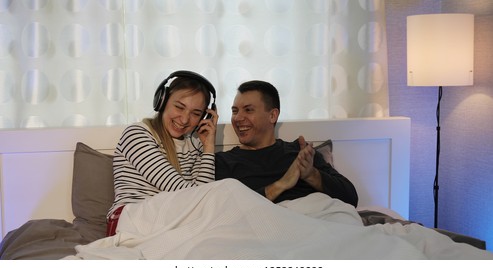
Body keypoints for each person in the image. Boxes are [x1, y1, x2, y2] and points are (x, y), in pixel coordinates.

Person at [106, 70, 219, 236]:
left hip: (172, 222)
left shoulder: (195, 145)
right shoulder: (137, 134)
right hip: (130, 220)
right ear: (162, 101)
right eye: (179, 107)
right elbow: (186, 194)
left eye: (195, 113)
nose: (185, 119)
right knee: (230, 188)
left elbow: (201, 201)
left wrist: (209, 147)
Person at [215, 80, 358, 207]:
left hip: (317, 220)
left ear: (272, 115)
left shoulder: (300, 153)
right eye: (235, 111)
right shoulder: (225, 162)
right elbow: (226, 211)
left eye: (248, 110)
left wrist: (311, 175)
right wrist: (281, 185)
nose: (238, 118)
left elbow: (351, 198)